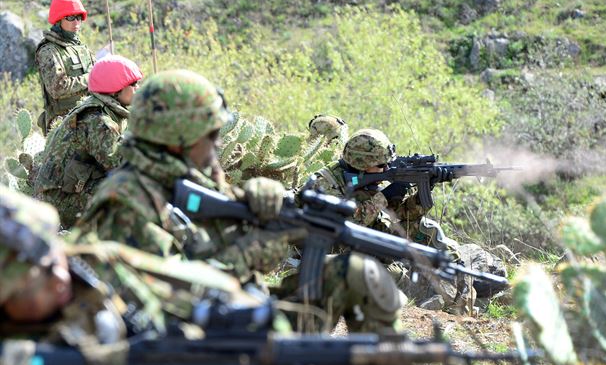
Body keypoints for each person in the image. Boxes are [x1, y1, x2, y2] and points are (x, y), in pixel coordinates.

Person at [75, 70, 405, 334]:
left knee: (357, 271)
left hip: (239, 317)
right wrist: (248, 252)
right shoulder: (126, 202)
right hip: (199, 346)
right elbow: (161, 307)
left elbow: (233, 225)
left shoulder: (190, 177)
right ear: (177, 138)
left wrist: (265, 205)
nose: (217, 142)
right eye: (209, 132)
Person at [0, 185, 255, 365]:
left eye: (53, 257)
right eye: (38, 277)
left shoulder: (96, 262)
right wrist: (107, 361)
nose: (59, 279)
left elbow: (202, 288)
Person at [304, 128, 507, 314]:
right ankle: (435, 298)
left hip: (371, 241)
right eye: (381, 165)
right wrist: (385, 195)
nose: (387, 168)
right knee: (406, 280)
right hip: (334, 253)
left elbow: (401, 217)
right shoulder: (325, 183)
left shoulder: (367, 177)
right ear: (361, 163)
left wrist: (423, 190)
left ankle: (463, 289)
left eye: (388, 163)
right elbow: (344, 226)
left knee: (429, 230)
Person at [34, 55, 142, 229]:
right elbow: (119, 164)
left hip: (68, 192)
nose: (138, 88)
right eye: (133, 84)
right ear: (116, 88)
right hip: (58, 203)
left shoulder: (101, 108)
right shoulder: (97, 119)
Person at [35, 0, 95, 134]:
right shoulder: (49, 51)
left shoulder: (81, 48)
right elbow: (58, 88)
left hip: (89, 116)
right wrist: (91, 78)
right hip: (64, 125)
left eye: (79, 18)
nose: (76, 23)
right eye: (70, 18)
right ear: (58, 20)